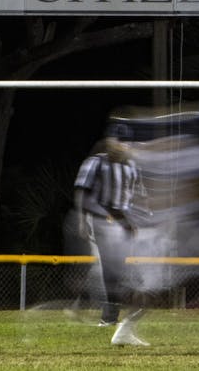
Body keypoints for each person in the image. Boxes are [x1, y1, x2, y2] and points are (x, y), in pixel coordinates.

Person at [74, 120, 148, 347]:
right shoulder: (96, 163)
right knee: (110, 269)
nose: (122, 146)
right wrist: (83, 219)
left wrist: (140, 220)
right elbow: (82, 192)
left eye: (126, 143)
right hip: (103, 221)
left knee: (125, 271)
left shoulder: (132, 168)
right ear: (109, 142)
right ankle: (109, 317)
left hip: (124, 223)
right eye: (118, 141)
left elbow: (138, 197)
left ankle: (107, 313)